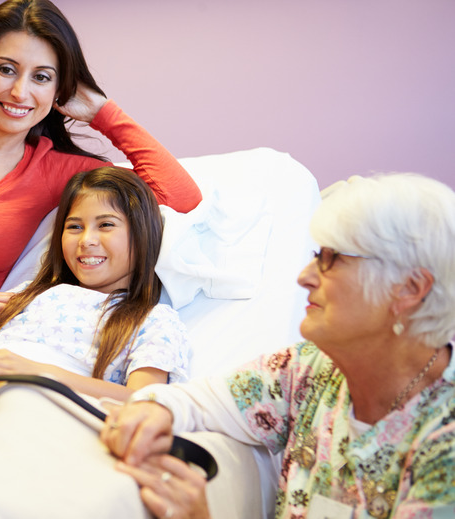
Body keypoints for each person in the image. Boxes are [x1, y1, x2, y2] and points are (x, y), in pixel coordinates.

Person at [100, 173, 455, 518]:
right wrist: (153, 411)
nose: (305, 276)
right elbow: (196, 402)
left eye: (332, 259)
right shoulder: (309, 369)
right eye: (317, 255)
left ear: (410, 288)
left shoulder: (446, 441)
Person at [0, 0, 202, 328]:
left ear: (60, 91)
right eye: (6, 69)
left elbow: (179, 197)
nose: (19, 92)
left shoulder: (58, 171)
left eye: (41, 77)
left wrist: (103, 113)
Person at [0, 167, 191, 401]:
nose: (87, 240)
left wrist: (41, 372)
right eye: (75, 227)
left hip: (41, 400)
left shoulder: (153, 319)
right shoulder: (27, 294)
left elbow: (146, 401)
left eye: (106, 224)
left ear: (142, 234)